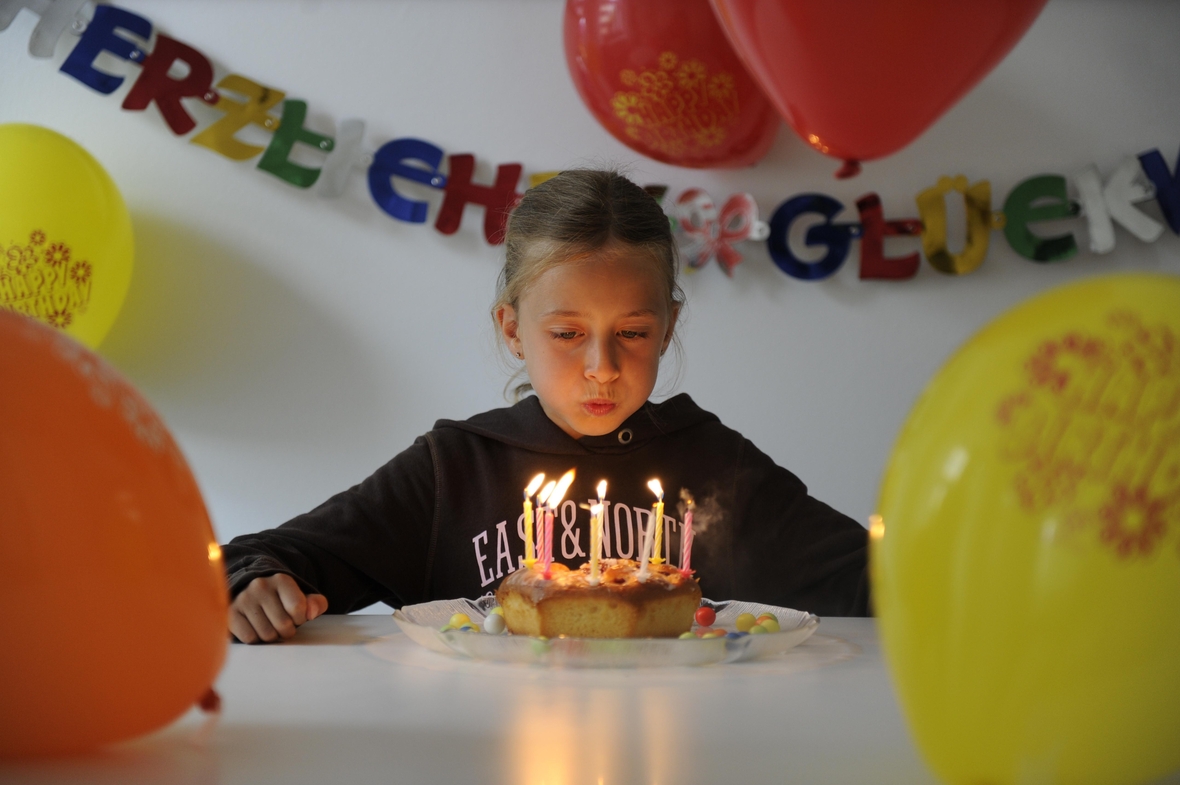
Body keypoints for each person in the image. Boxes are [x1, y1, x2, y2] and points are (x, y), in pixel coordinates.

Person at [223, 170, 870, 644]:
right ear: (512, 328)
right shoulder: (456, 468)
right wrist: (255, 583)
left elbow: (877, 578)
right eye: (566, 333)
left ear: (669, 326)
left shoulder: (714, 465)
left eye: (634, 333)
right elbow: (267, 554)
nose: (602, 366)